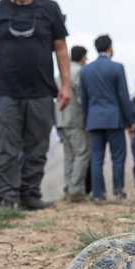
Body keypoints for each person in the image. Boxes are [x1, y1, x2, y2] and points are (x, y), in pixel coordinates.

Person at [0, 0, 71, 210]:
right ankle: (7, 199)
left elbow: (61, 48)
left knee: (38, 146)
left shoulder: (50, 8)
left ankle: (30, 195)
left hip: (41, 91)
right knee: (6, 146)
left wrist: (65, 85)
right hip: (6, 92)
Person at [80, 34, 134, 203]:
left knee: (96, 158)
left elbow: (84, 98)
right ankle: (118, 192)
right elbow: (123, 96)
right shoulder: (117, 68)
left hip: (94, 120)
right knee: (117, 157)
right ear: (110, 47)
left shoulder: (85, 70)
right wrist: (130, 121)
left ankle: (98, 194)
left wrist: (86, 121)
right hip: (114, 119)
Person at [56, 46, 89, 203]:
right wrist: (86, 117)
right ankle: (76, 190)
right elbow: (80, 97)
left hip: (62, 119)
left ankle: (69, 188)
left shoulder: (61, 73)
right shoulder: (78, 73)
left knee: (69, 156)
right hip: (75, 119)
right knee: (82, 153)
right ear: (83, 58)